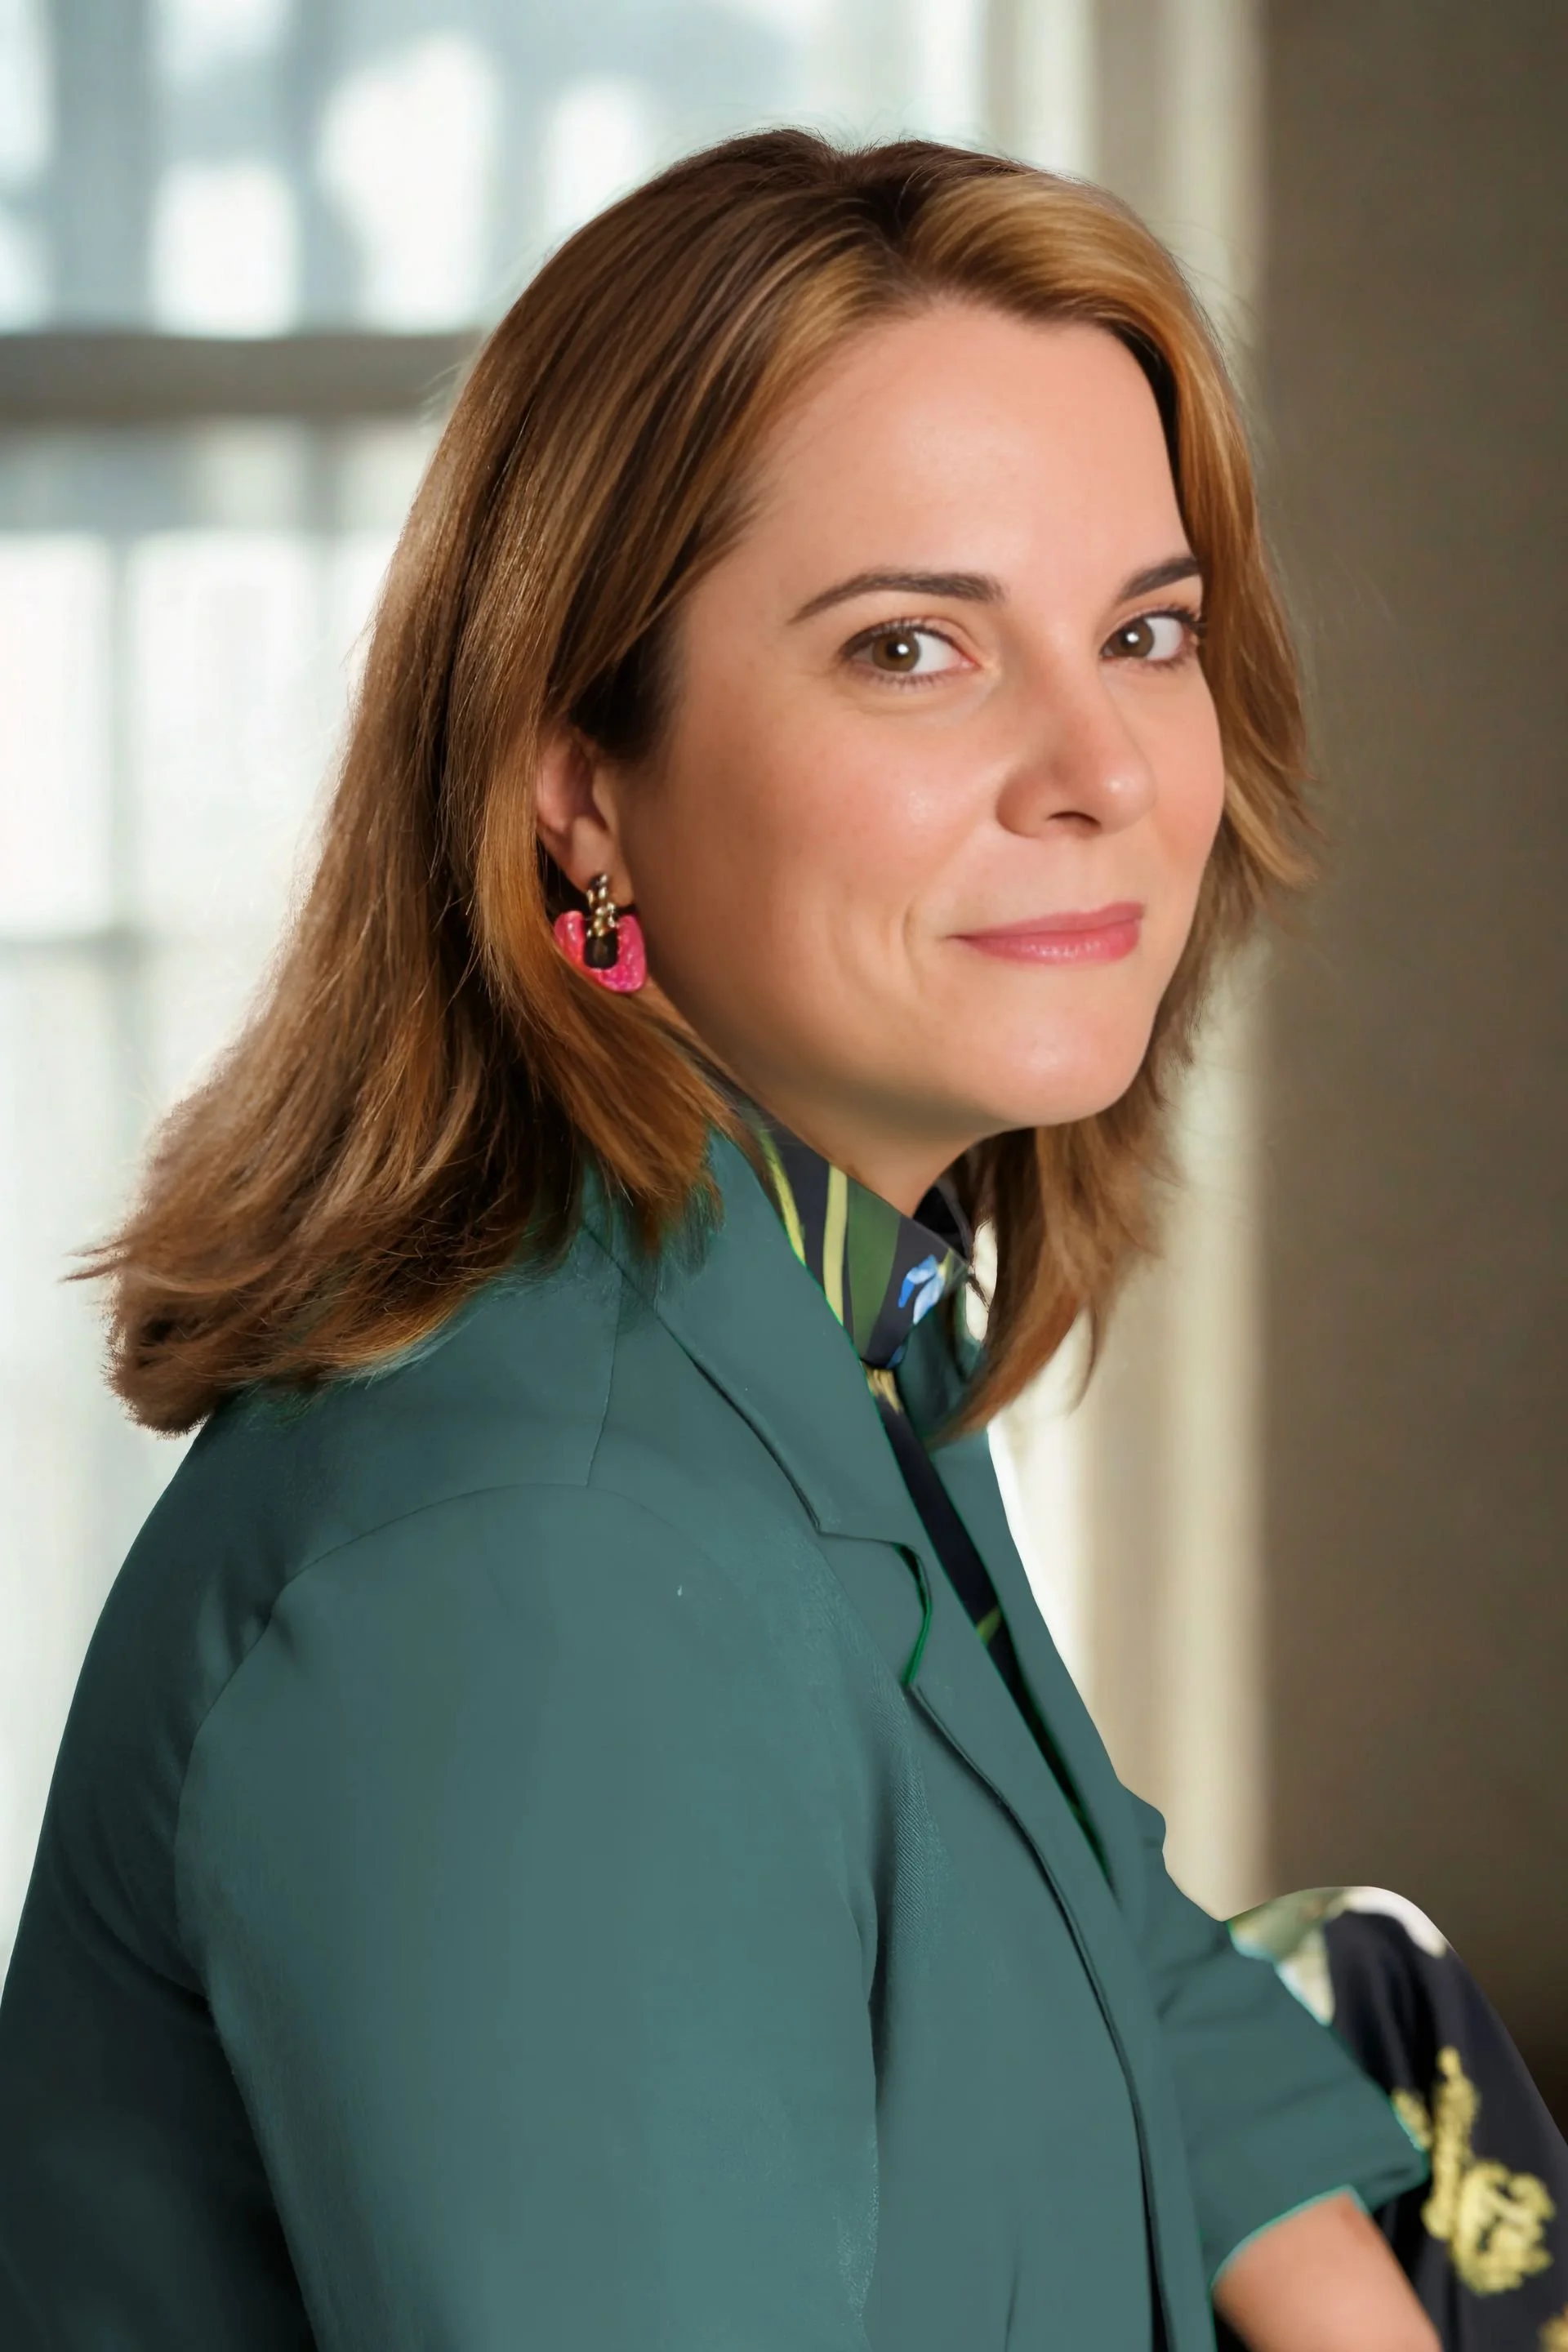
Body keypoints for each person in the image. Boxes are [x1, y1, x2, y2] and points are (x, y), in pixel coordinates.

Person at [4, 127, 1544, 2349]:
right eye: (913, 647)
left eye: (1146, 629)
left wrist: (1347, 2301)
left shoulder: (802, 1311)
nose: (1100, 763)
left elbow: (1077, 1896)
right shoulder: (546, 1567)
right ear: (581, 779)